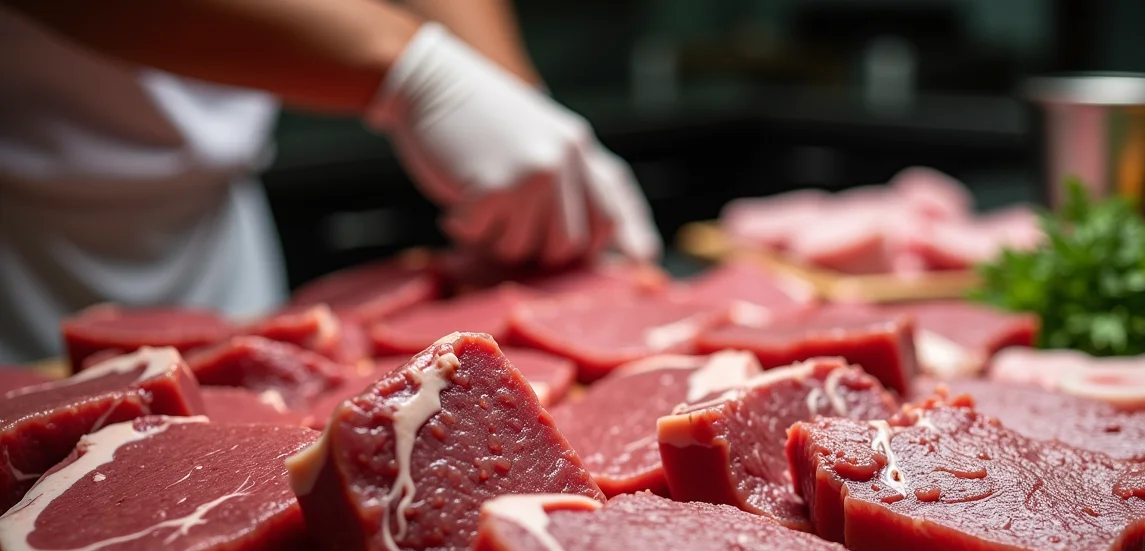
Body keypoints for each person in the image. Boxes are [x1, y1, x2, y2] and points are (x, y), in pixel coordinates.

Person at [0, 0, 660, 363]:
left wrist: (510, 98)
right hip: (22, 245)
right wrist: (413, 69)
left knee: (243, 444)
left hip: (216, 232)